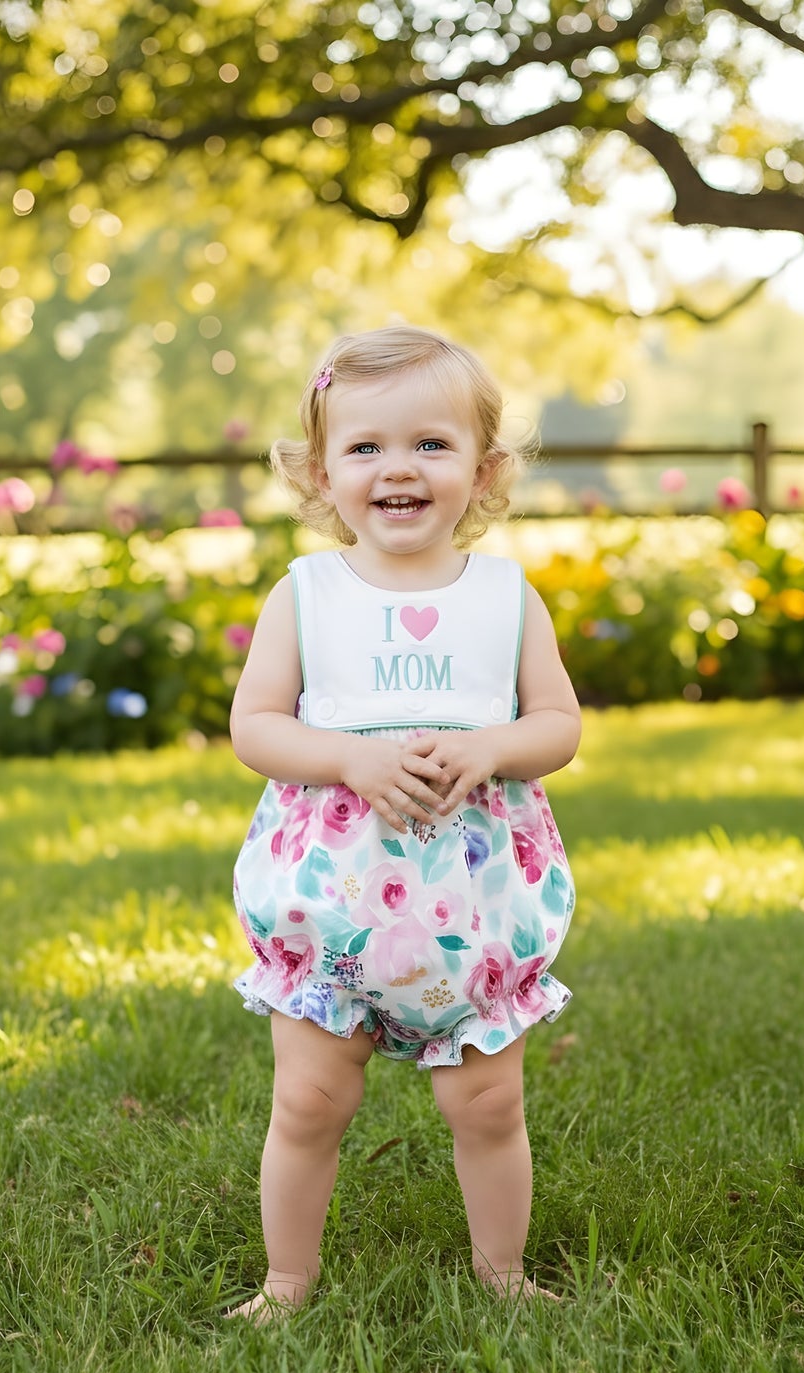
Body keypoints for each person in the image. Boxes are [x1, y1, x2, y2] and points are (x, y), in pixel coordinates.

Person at [227, 324, 580, 1320]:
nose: (398, 468)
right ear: (320, 472)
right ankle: (285, 1282)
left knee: (487, 1101)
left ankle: (501, 1273)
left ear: (484, 468)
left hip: (473, 901)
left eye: (430, 444)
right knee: (308, 1100)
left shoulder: (506, 596)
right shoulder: (304, 594)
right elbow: (253, 725)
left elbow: (556, 723)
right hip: (333, 896)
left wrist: (490, 746)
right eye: (366, 447)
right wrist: (346, 753)